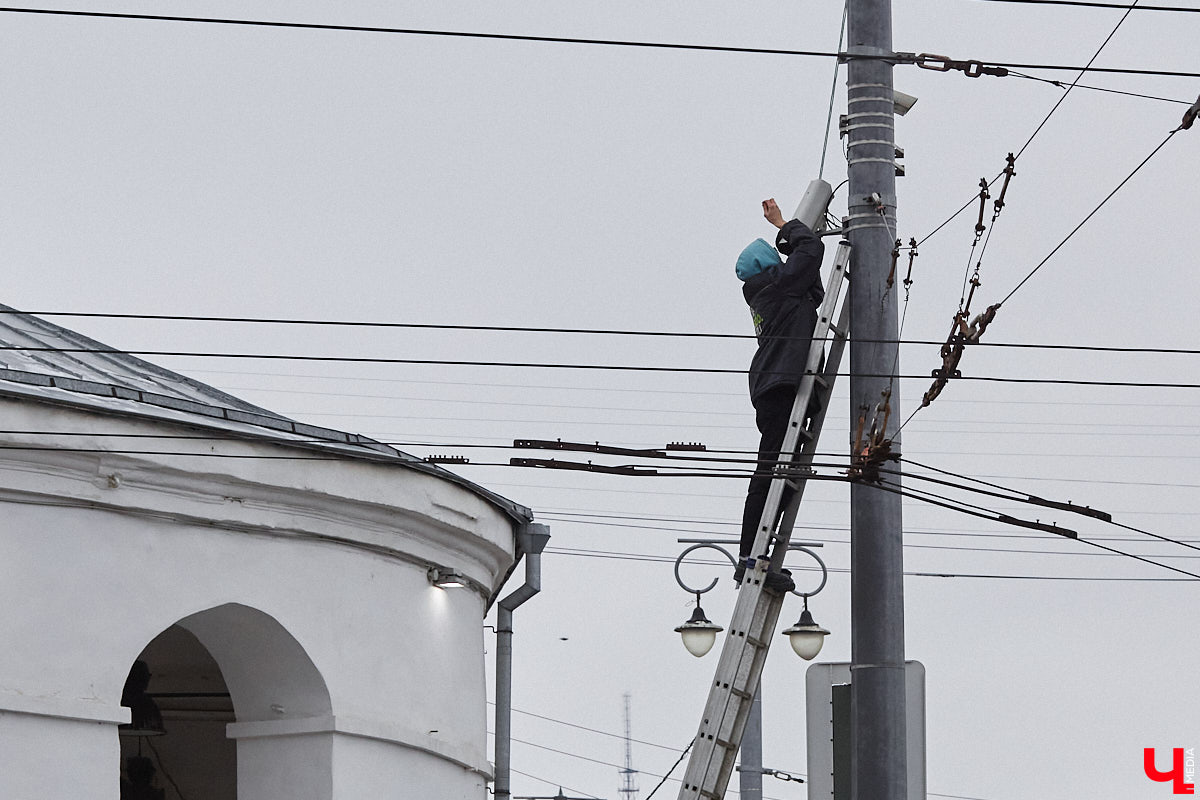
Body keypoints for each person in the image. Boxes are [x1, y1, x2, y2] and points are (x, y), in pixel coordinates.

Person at [734, 198, 825, 590]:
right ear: (771, 268)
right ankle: (750, 558)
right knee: (771, 470)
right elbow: (813, 252)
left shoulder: (772, 292)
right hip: (779, 385)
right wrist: (784, 224)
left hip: (774, 383)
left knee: (778, 471)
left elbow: (813, 285)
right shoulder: (781, 287)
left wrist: (787, 241)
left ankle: (758, 556)